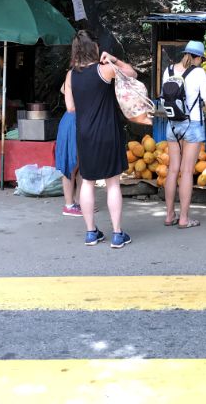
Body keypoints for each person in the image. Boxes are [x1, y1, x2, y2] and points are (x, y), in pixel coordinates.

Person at [70, 30, 137, 248]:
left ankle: (91, 233)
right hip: (108, 132)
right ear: (94, 49)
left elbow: (71, 108)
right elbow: (132, 73)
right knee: (112, 183)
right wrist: (115, 60)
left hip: (84, 133)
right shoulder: (104, 70)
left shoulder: (71, 75)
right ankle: (117, 234)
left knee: (87, 182)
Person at [162, 40, 206, 228]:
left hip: (172, 124)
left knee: (172, 169)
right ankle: (184, 218)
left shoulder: (167, 71)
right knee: (186, 171)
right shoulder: (199, 72)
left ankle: (169, 215)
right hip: (191, 124)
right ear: (198, 57)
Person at [56, 61, 82, 217]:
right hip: (73, 122)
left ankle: (79, 202)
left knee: (82, 166)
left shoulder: (77, 74)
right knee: (71, 165)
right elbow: (70, 106)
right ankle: (69, 204)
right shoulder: (72, 74)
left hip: (78, 121)